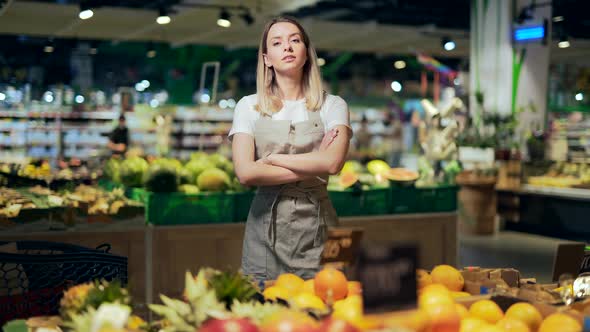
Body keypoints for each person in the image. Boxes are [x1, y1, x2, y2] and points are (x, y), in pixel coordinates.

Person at [229, 16, 351, 282]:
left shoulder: (333, 104)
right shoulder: (248, 106)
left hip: (324, 228)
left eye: (295, 40)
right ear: (266, 58)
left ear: (306, 53)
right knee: (265, 315)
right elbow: (246, 174)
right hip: (264, 232)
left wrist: (272, 159)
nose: (287, 47)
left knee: (335, 307)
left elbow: (333, 164)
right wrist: (314, 164)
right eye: (277, 42)